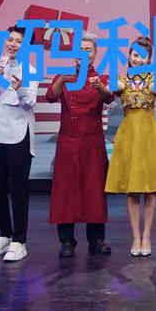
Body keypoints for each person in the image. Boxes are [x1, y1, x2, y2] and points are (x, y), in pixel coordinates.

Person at [105, 37, 156, 257]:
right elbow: (109, 94)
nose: (138, 59)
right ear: (129, 56)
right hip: (129, 135)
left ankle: (147, 236)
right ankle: (135, 237)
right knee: (131, 190)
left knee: (150, 190)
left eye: (143, 56)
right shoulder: (121, 80)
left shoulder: (155, 78)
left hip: (149, 135)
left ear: (149, 59)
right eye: (135, 55)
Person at [46, 31, 113, 258]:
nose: (84, 54)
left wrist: (100, 87)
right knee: (65, 190)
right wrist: (61, 81)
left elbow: (109, 97)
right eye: (79, 51)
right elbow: (50, 97)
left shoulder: (102, 78)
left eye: (88, 50)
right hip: (68, 140)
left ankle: (96, 239)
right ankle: (66, 241)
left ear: (95, 54)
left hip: (92, 140)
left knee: (94, 188)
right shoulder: (63, 77)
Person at [0, 25, 38, 262]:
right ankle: (5, 234)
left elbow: (30, 102)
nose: (13, 44)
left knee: (18, 190)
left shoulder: (31, 70)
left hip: (18, 136)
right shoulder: (0, 66)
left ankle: (19, 241)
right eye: (10, 40)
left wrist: (20, 88)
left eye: (18, 41)